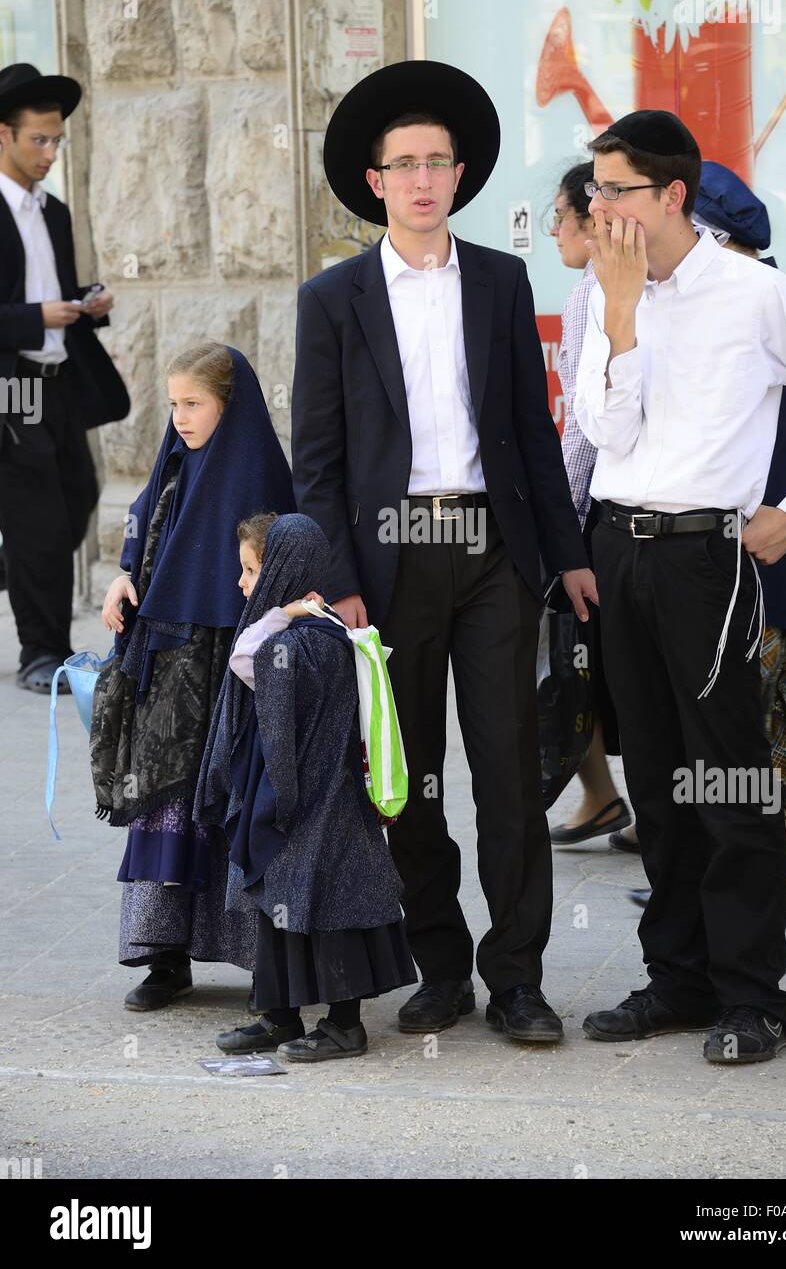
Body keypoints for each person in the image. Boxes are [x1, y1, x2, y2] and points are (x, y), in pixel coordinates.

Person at [291, 59, 597, 1044]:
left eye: (438, 163)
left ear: (459, 176)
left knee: (509, 771)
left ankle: (517, 980)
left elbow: (532, 429)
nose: (423, 180)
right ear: (374, 181)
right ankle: (441, 965)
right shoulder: (333, 300)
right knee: (408, 776)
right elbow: (318, 463)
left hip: (491, 549)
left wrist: (566, 551)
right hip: (388, 564)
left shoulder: (503, 284)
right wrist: (337, 583)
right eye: (404, 164)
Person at [574, 110, 786, 1064]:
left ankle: (752, 996)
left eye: (613, 188)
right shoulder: (605, 294)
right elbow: (604, 435)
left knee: (728, 776)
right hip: (622, 544)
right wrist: (617, 315)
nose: (596, 204)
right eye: (593, 188)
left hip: (710, 557)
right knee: (654, 778)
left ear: (670, 196)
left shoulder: (752, 293)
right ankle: (679, 980)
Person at [627, 164, 786, 918]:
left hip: (761, 553)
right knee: (760, 717)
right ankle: (778, 875)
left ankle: (775, 878)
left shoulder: (757, 304)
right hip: (753, 554)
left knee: (748, 724)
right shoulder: (698, 302)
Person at [90, 344, 296, 1011]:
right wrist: (125, 573)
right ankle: (162, 956)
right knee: (164, 802)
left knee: (234, 799)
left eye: (193, 404)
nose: (179, 417)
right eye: (174, 403)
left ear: (227, 405)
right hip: (167, 652)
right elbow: (146, 518)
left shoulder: (257, 468)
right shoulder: (175, 458)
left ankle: (265, 959)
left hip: (232, 659)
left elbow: (276, 557)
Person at [196, 513, 417, 1063]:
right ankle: (283, 1015)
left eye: (250, 572)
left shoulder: (287, 647)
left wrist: (279, 803)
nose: (243, 584)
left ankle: (341, 1027)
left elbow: (245, 664)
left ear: (281, 575)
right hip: (329, 800)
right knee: (303, 905)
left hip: (301, 801)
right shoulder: (332, 635)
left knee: (313, 907)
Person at [0, 62, 128, 694]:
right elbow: (25, 307)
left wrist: (85, 303)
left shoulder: (53, 212)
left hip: (57, 384)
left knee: (78, 494)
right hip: (11, 388)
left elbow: (52, 294)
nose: (50, 152)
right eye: (38, 140)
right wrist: (35, 318)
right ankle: (40, 651)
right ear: (3, 135)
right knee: (39, 520)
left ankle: (19, 572)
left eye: (57, 140)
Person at [545, 161, 636, 853]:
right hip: (627, 506)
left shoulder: (587, 294)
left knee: (582, 664)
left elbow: (581, 424)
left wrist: (565, 520)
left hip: (607, 510)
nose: (552, 230)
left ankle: (611, 801)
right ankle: (609, 800)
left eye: (559, 216)